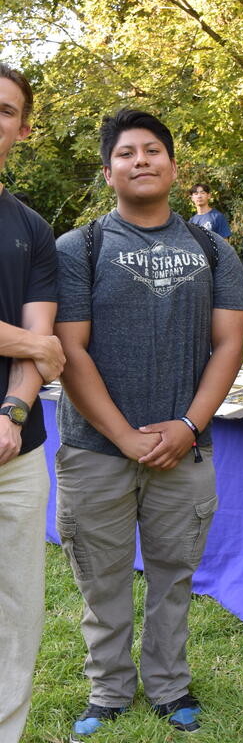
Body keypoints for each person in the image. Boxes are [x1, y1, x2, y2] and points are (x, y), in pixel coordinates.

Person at [54, 109, 243, 739]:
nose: (142, 161)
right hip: (96, 449)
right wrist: (124, 436)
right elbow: (71, 350)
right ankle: (107, 689)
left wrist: (190, 426)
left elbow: (229, 345)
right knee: (102, 575)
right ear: (107, 170)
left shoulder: (214, 250)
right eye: (127, 153)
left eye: (154, 151)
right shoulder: (77, 248)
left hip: (184, 448)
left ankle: (169, 685)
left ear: (173, 165)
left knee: (174, 575)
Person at [0, 63, 65, 743]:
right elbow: (41, 344)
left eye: (6, 109)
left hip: (14, 449)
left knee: (16, 610)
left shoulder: (32, 228)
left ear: (22, 127)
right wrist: (32, 346)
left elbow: (43, 345)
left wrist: (13, 414)